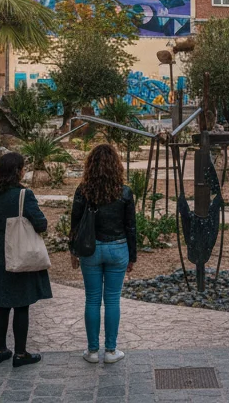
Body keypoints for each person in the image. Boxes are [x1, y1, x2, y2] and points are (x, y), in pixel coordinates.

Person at [70, 143, 137, 364]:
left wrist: (73, 251)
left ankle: (91, 351)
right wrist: (132, 256)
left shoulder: (83, 191)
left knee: (92, 299)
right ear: (116, 166)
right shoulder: (124, 192)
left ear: (90, 165)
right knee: (112, 300)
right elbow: (131, 227)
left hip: (90, 249)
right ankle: (110, 351)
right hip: (118, 248)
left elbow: (75, 223)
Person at [0, 151, 51, 367]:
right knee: (21, 304)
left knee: (2, 304)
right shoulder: (25, 195)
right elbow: (41, 223)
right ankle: (20, 353)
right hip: (20, 252)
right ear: (17, 171)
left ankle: (0, 350)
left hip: (1, 253)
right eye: (23, 168)